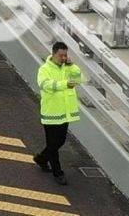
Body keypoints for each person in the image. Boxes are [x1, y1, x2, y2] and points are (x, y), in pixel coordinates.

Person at [34, 42, 83, 184]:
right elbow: (45, 85)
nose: (63, 58)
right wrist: (64, 84)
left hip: (64, 113)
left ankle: (41, 158)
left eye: (65, 55)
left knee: (59, 142)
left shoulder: (66, 68)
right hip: (51, 113)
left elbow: (78, 76)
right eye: (61, 55)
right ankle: (58, 173)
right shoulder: (44, 69)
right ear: (54, 54)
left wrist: (71, 65)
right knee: (53, 144)